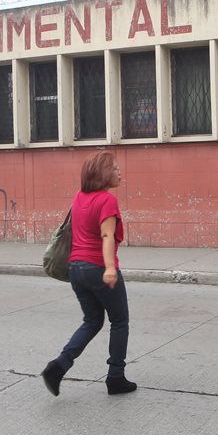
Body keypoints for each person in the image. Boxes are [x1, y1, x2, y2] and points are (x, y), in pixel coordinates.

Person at [41, 151, 137, 396]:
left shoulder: (79, 197)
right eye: (114, 167)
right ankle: (115, 377)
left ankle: (59, 366)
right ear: (103, 173)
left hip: (76, 269)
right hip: (97, 267)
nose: (119, 171)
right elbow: (106, 236)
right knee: (120, 321)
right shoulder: (107, 200)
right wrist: (110, 267)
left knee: (92, 320)